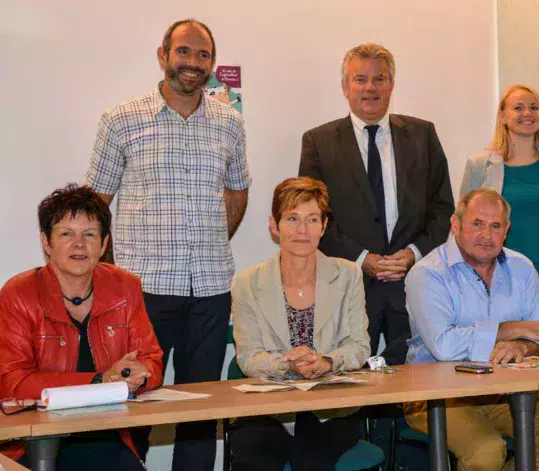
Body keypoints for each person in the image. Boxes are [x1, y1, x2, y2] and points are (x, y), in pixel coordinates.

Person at [84, 18, 251, 470]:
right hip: (143, 292)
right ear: (163, 55)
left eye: (203, 55)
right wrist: (116, 276)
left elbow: (238, 194)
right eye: (184, 52)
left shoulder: (230, 124)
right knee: (134, 403)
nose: (193, 63)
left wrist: (214, 236)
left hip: (211, 291)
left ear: (212, 64)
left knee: (199, 411)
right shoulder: (122, 119)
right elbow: (96, 206)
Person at [298, 42, 454, 366]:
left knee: (416, 391)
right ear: (345, 86)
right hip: (349, 288)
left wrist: (413, 254)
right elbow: (311, 220)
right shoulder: (318, 142)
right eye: (360, 79)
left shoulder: (423, 135)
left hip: (412, 287)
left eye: (379, 79)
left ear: (391, 85)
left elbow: (443, 210)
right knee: (349, 392)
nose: (370, 88)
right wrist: (361, 258)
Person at [404, 188, 539, 471]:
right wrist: (513, 329)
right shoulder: (428, 273)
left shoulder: (521, 267)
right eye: (477, 224)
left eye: (495, 226)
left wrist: (523, 347)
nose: (487, 235)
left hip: (505, 390)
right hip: (436, 395)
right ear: (455, 225)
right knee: (486, 452)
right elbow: (444, 346)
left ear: (506, 230)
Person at [0, 184, 163, 470]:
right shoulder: (19, 293)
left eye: (89, 235)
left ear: (103, 244)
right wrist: (99, 381)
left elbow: (151, 360)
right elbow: (12, 382)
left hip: (107, 432)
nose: (79, 244)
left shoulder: (125, 287)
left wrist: (139, 375)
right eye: (66, 234)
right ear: (46, 243)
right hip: (34, 437)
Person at [228, 177, 371, 471]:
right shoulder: (247, 283)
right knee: (254, 457)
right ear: (274, 225)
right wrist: (286, 364)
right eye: (292, 218)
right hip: (268, 408)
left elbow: (359, 347)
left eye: (312, 219)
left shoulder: (348, 275)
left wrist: (327, 361)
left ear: (324, 226)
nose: (302, 230)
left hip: (330, 407)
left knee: (312, 457)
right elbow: (248, 356)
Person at [460, 83, 539, 417]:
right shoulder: (480, 165)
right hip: (503, 285)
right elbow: (465, 226)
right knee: (505, 370)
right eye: (518, 107)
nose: (526, 114)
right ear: (502, 115)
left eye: (533, 107)